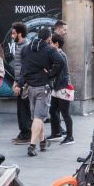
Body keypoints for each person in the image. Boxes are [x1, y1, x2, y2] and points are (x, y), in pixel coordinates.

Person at [19, 27, 62, 156]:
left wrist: (22, 81)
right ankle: (32, 145)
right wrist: (50, 74)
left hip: (30, 86)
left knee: (38, 116)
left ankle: (43, 142)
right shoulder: (49, 49)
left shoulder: (26, 48)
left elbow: (23, 66)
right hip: (43, 87)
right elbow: (60, 62)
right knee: (39, 117)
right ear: (49, 38)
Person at [9, 23, 32, 144]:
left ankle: (27, 134)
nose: (12, 36)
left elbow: (25, 68)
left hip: (24, 84)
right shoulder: (19, 46)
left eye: (13, 33)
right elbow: (18, 67)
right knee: (20, 109)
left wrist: (20, 84)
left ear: (20, 33)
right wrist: (15, 81)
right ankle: (23, 132)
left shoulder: (25, 47)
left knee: (24, 109)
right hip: (20, 81)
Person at [49, 34, 74, 145]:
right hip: (57, 87)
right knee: (53, 110)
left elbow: (61, 73)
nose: (49, 45)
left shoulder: (61, 55)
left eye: (51, 43)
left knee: (65, 113)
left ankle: (70, 137)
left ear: (56, 44)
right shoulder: (56, 54)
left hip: (63, 87)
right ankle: (56, 133)